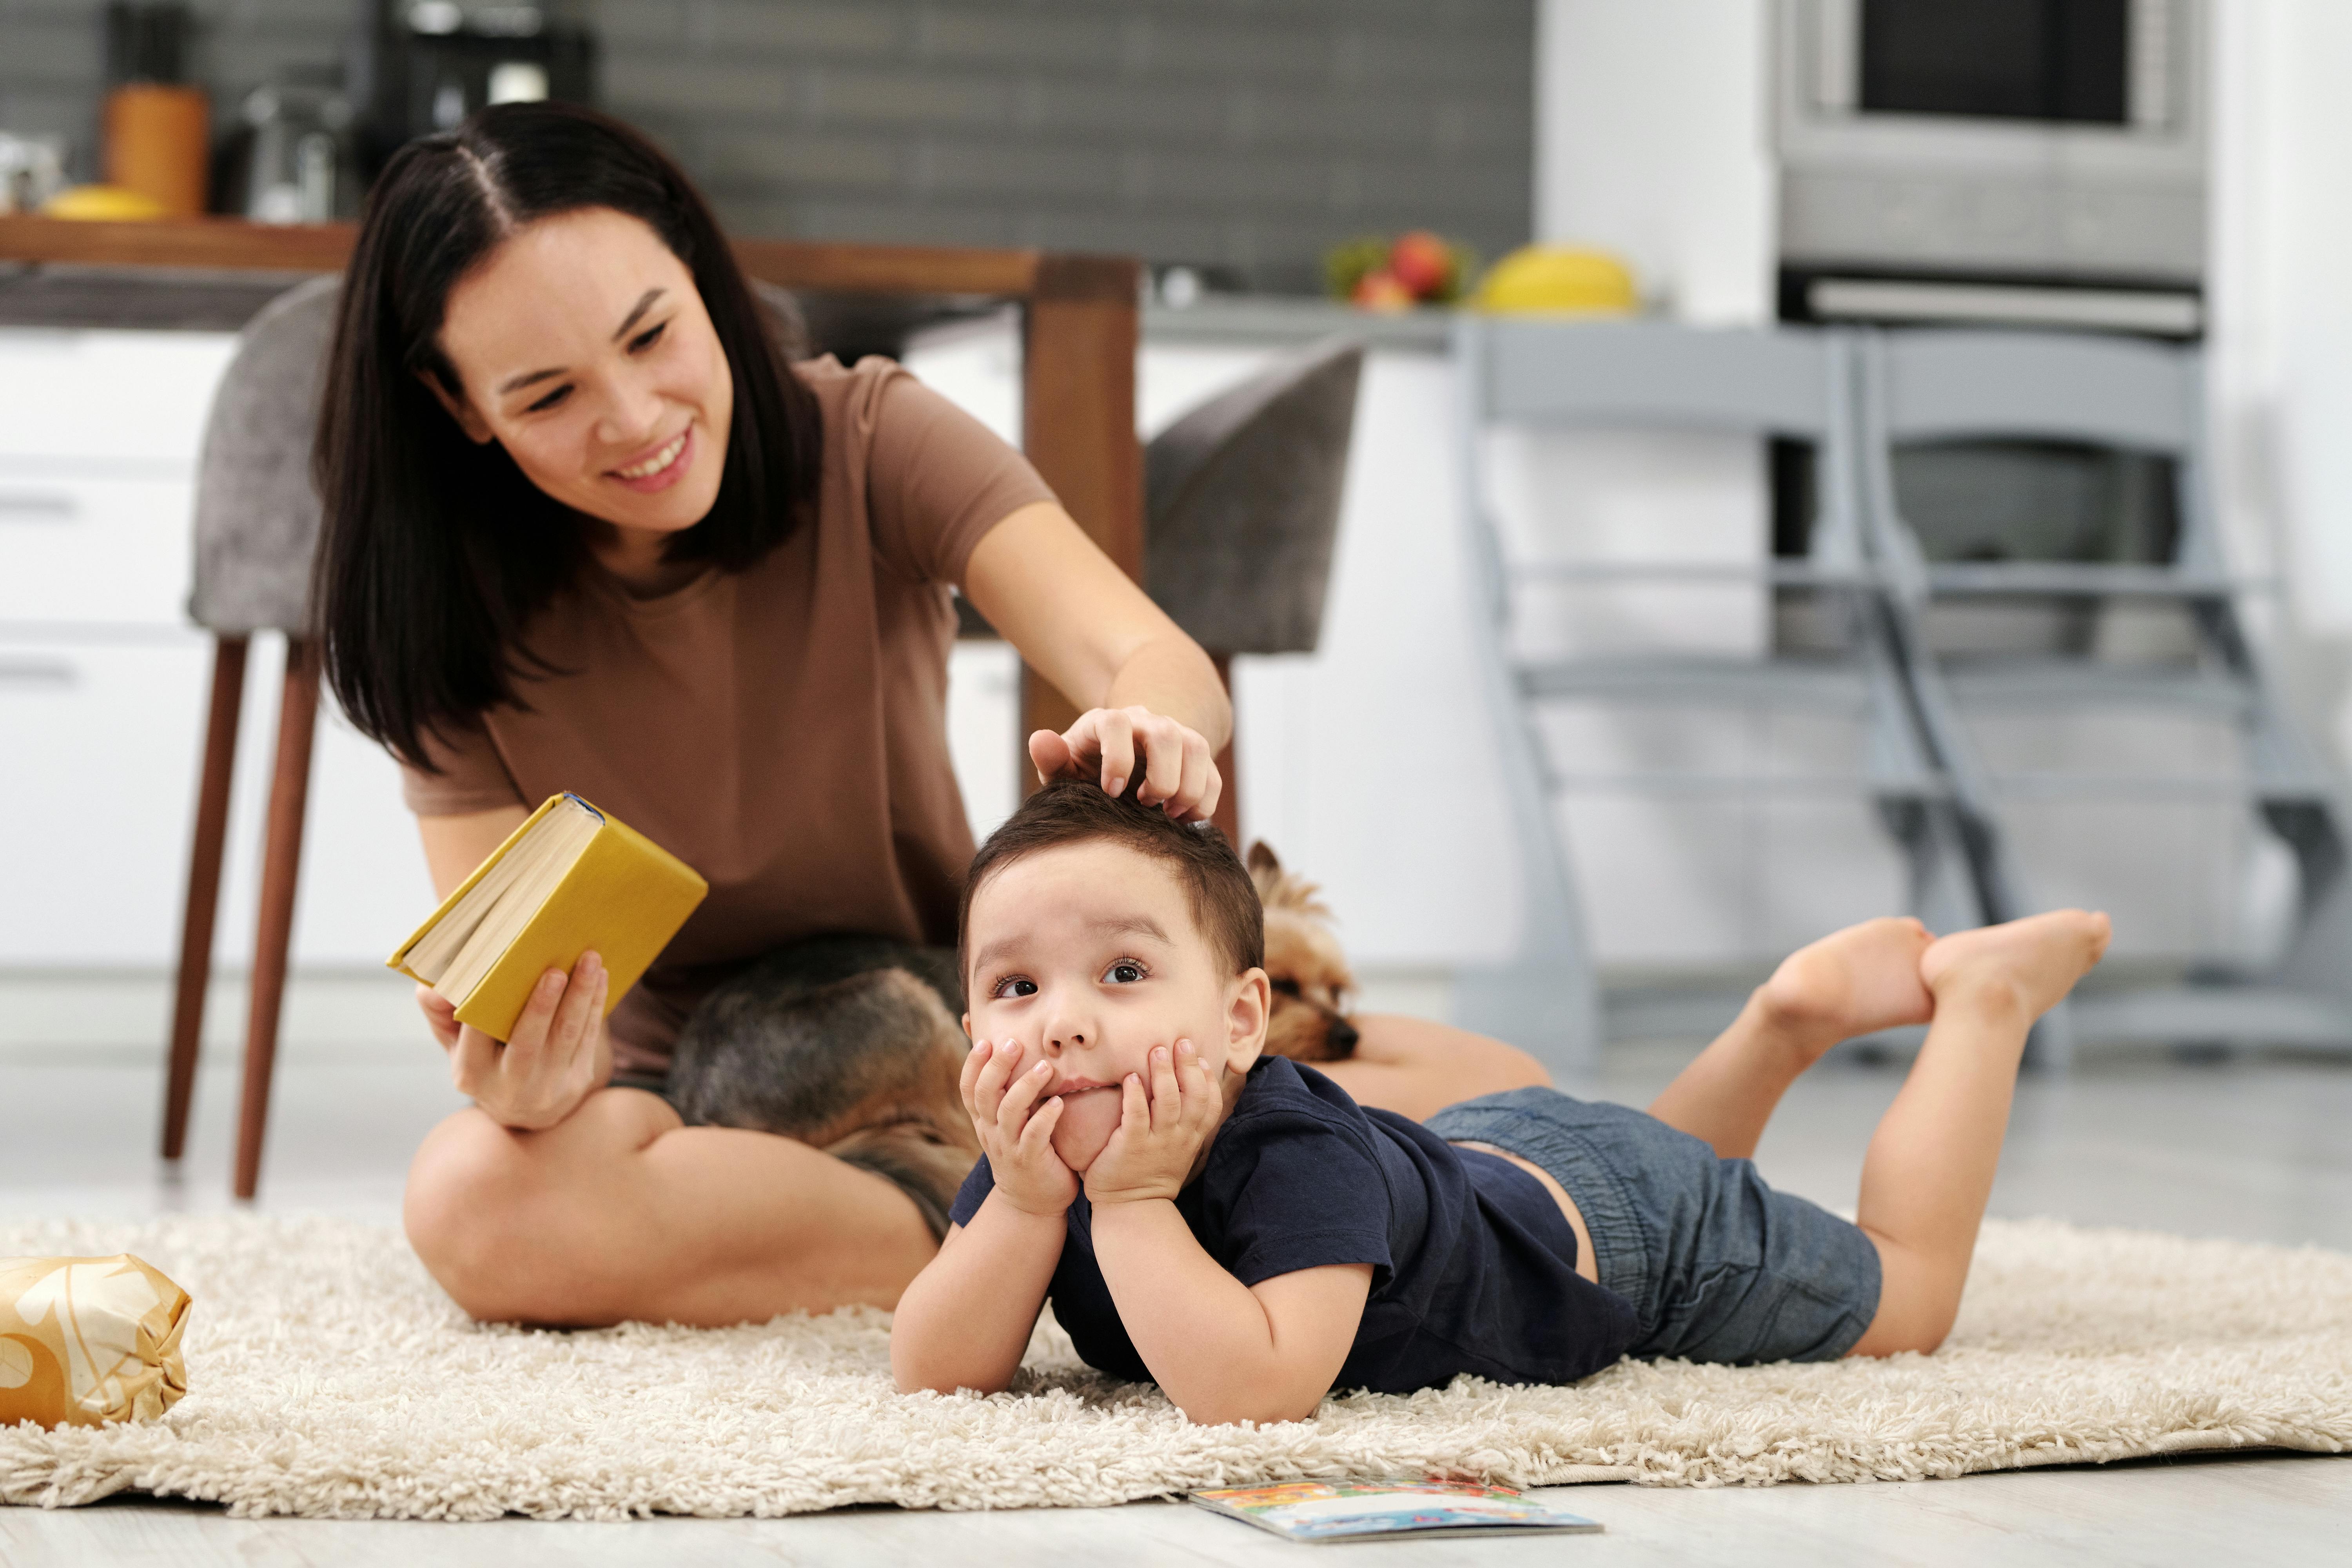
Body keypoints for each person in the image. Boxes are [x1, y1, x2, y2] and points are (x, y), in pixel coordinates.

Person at [310, 103, 1543, 1330]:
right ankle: (1034, 1215)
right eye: (547, 395)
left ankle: (1004, 1215)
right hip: (685, 1098)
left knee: (1508, 1090)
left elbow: (1148, 654)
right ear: (458, 404)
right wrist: (530, 1088)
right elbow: (518, 1011)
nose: (634, 418)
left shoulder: (865, 436)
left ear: (696, 266)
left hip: (978, 1036)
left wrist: (1151, 726)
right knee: (475, 1196)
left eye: (652, 334)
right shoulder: (439, 619)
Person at [889, 779, 2112, 1425]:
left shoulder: (1287, 1146)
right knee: (1650, 1154)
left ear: (1240, 1024)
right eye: (1014, 985)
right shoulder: (1035, 1154)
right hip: (1490, 1164)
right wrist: (1026, 1210)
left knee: (1911, 1295)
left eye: (1123, 972)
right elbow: (937, 1373)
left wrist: (1140, 1201)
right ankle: (1781, 1022)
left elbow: (1257, 1392)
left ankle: (1985, 1003)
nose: (1061, 1020)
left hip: (1628, 1236)